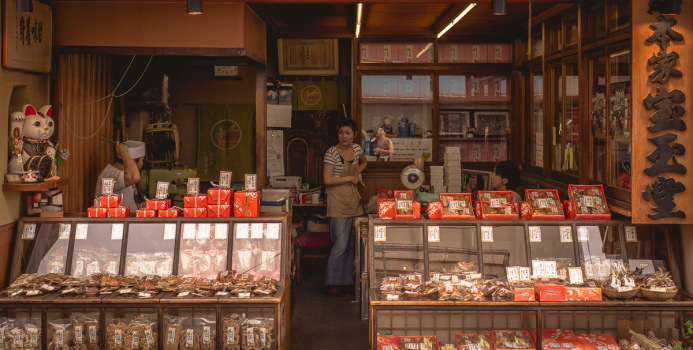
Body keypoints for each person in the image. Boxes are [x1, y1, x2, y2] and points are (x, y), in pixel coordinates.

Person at [323, 118, 367, 296]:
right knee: (340, 244)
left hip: (354, 202)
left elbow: (364, 162)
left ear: (355, 134)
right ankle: (332, 282)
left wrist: (357, 173)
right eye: (341, 132)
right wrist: (350, 178)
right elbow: (327, 180)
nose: (344, 136)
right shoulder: (332, 153)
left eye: (348, 133)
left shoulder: (357, 149)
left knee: (352, 244)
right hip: (338, 203)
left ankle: (348, 281)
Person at [95, 140, 146, 212]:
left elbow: (126, 202)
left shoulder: (123, 175)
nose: (142, 164)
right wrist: (124, 153)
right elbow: (135, 177)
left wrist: (142, 206)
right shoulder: (110, 174)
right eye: (142, 160)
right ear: (133, 161)